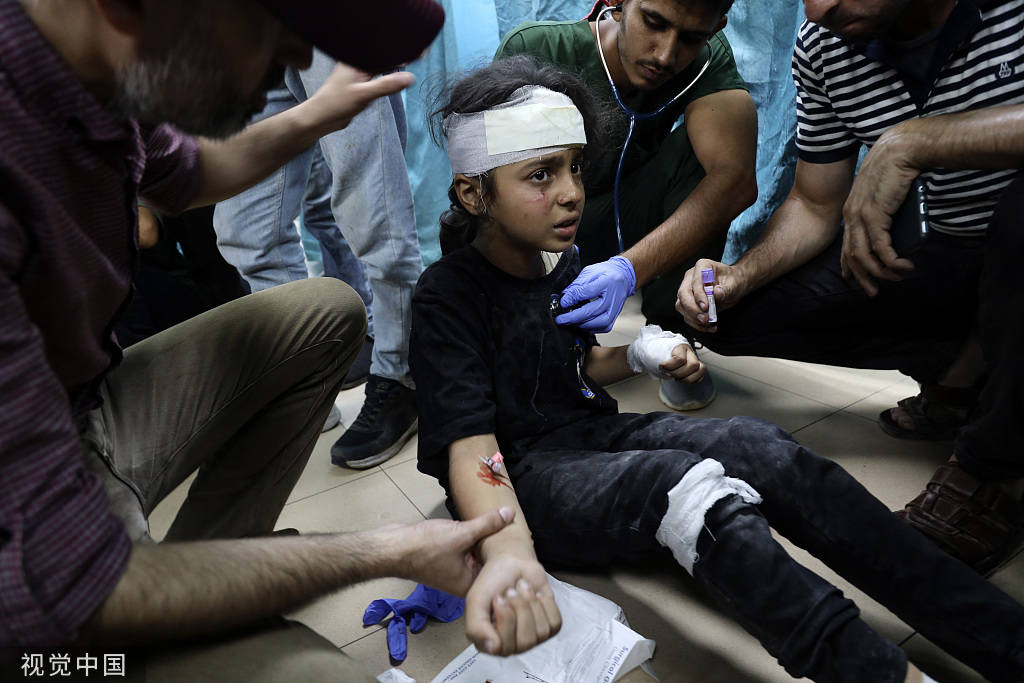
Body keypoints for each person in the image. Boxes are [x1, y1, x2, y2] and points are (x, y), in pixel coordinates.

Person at [409, 56, 1024, 683]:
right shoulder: (446, 297)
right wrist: (510, 557)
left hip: (588, 435)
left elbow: (570, 367)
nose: (570, 191)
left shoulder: (557, 263)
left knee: (762, 446)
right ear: (474, 193)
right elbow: (472, 445)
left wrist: (643, 354)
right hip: (518, 479)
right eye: (541, 174)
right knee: (685, 489)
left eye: (575, 167)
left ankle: (1003, 638)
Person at [0, 0, 530, 679]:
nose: (300, 60)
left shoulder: (99, 66)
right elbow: (76, 588)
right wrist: (384, 549)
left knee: (326, 314)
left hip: (81, 400)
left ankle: (201, 583)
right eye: (275, 31)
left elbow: (187, 174)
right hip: (46, 560)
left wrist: (319, 114)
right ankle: (169, 623)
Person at [674, 0, 1024, 574]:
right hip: (951, 256)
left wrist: (914, 141)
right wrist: (740, 274)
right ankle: (971, 372)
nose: (819, 8)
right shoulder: (823, 46)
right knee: (730, 316)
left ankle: (995, 468)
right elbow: (816, 204)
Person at [494, 0, 758, 411]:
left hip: (624, 218)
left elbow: (735, 181)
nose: (665, 55)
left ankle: (670, 337)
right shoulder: (538, 48)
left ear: (716, 27)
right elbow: (491, 186)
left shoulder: (706, 60)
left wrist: (629, 269)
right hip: (542, 225)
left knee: (713, 157)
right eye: (653, 22)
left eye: (691, 37)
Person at [214, 51, 423, 468]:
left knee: (374, 213)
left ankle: (401, 375)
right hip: (240, 35)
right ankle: (304, 388)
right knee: (248, 232)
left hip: (326, 28)